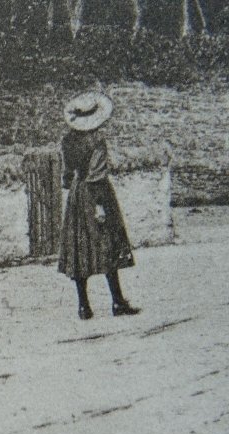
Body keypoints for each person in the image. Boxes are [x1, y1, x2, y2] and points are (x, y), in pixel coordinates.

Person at [58, 92, 141, 320]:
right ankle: (117, 302)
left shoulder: (67, 142)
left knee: (79, 248)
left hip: (77, 196)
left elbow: (65, 177)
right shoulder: (97, 141)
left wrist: (76, 184)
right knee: (107, 245)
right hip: (97, 195)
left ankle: (84, 307)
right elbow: (97, 176)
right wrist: (100, 206)